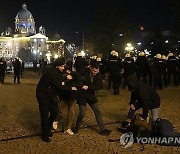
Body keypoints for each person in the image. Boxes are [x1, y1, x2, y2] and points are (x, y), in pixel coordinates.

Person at [36, 57, 77, 142]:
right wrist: (71, 88)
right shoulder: (52, 73)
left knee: (55, 112)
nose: (63, 68)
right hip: (43, 95)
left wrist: (66, 76)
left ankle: (47, 127)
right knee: (44, 114)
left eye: (63, 66)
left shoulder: (58, 72)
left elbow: (60, 79)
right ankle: (44, 134)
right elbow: (59, 86)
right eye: (61, 66)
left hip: (51, 95)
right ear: (56, 66)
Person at [73, 62, 112, 135]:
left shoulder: (99, 75)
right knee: (82, 113)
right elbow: (78, 80)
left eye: (97, 71)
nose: (96, 73)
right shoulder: (84, 72)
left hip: (91, 96)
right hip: (82, 96)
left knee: (98, 112)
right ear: (90, 68)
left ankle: (102, 129)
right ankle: (76, 127)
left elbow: (97, 86)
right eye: (94, 71)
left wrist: (88, 87)